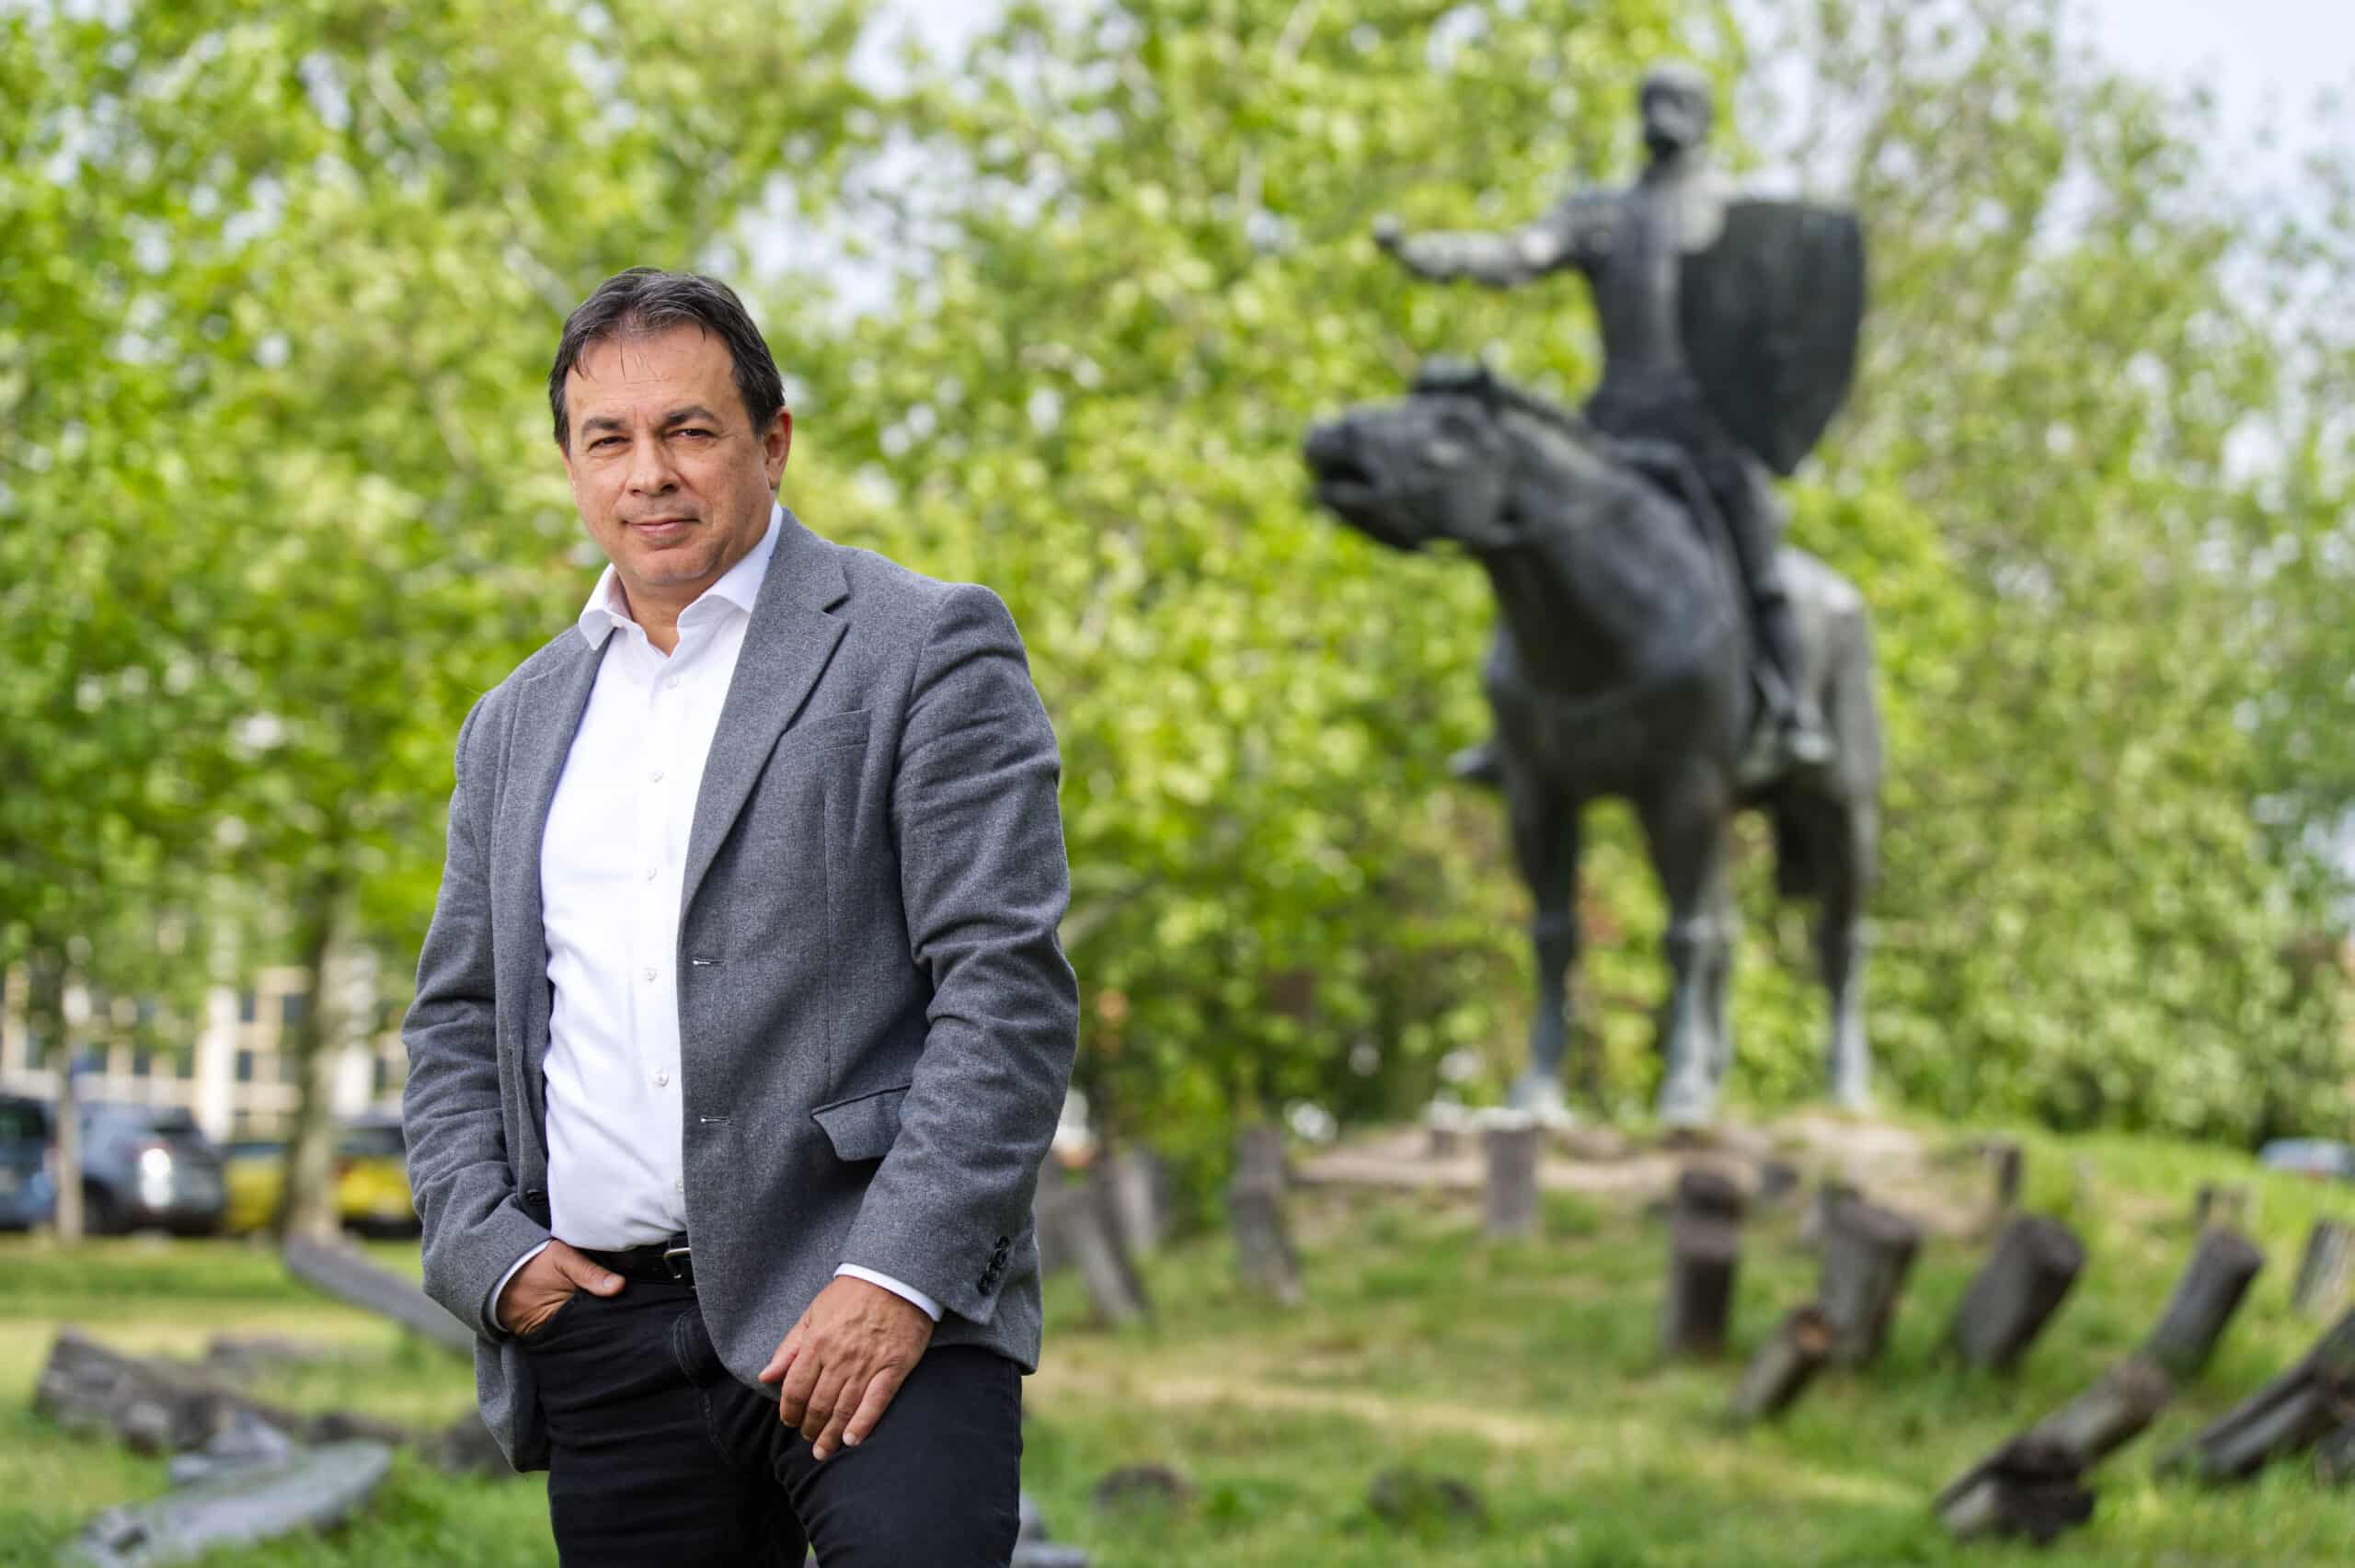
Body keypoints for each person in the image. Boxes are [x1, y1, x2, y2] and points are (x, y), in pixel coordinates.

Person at [402, 266, 1077, 1566]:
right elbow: (458, 1022)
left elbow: (1005, 991)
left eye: (688, 430)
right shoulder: (512, 724)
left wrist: (895, 1277)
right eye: (608, 439)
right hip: (605, 1333)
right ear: (571, 465)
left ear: (771, 442)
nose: (648, 472)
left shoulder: (924, 646)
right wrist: (485, 1252)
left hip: (876, 1312)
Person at [1376, 61, 1832, 773]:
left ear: (1704, 115)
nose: (1663, 114)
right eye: (1653, 100)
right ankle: (1514, 724)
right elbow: (1517, 253)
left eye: (1677, 101)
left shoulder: (1736, 220)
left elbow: (1785, 333)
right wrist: (1433, 252)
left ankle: (1794, 709)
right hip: (1617, 432)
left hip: (1710, 434)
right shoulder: (1604, 216)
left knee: (1759, 562)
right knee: (1537, 550)